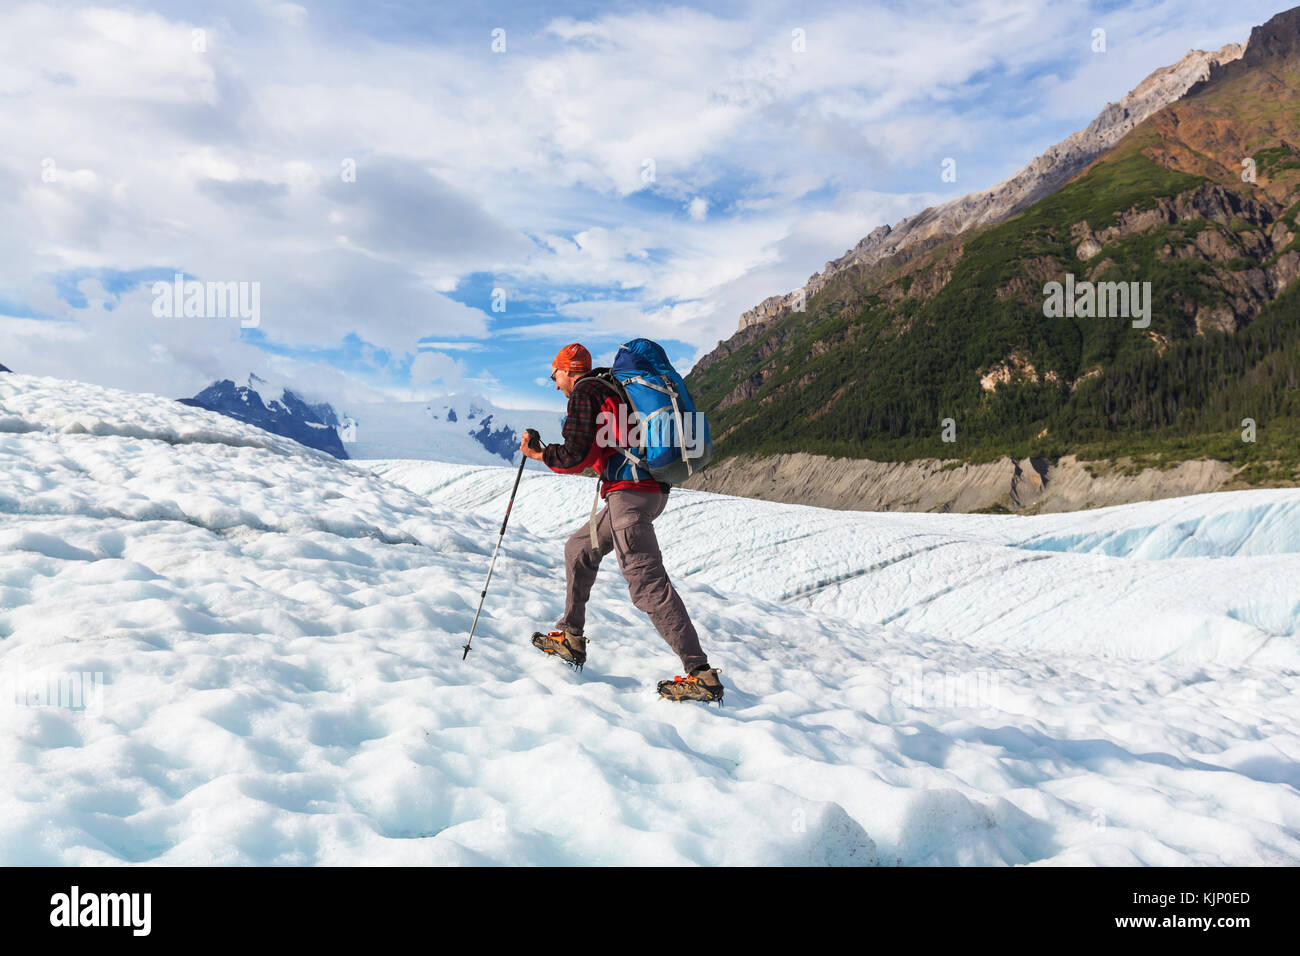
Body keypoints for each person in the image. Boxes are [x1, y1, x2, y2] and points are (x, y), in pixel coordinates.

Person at [520, 343, 723, 702]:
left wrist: (540, 453)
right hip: (645, 491)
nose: (555, 385)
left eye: (555, 376)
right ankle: (570, 634)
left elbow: (576, 456)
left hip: (629, 495)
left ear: (569, 370)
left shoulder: (586, 392)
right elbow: (600, 446)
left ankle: (700, 673)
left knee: (646, 584)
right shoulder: (611, 389)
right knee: (580, 549)